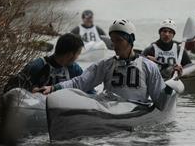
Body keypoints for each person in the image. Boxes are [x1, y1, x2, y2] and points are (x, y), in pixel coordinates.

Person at [34, 19, 182, 110]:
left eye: (119, 40)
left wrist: (170, 88)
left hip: (137, 109)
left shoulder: (149, 66)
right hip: (108, 108)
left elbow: (161, 104)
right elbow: (80, 82)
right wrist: (54, 88)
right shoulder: (105, 65)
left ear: (130, 40)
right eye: (112, 40)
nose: (114, 45)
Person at [4, 33, 87, 93]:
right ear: (70, 54)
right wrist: (31, 91)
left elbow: (89, 90)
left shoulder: (75, 69)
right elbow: (11, 88)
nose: (77, 57)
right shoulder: (37, 66)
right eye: (78, 53)